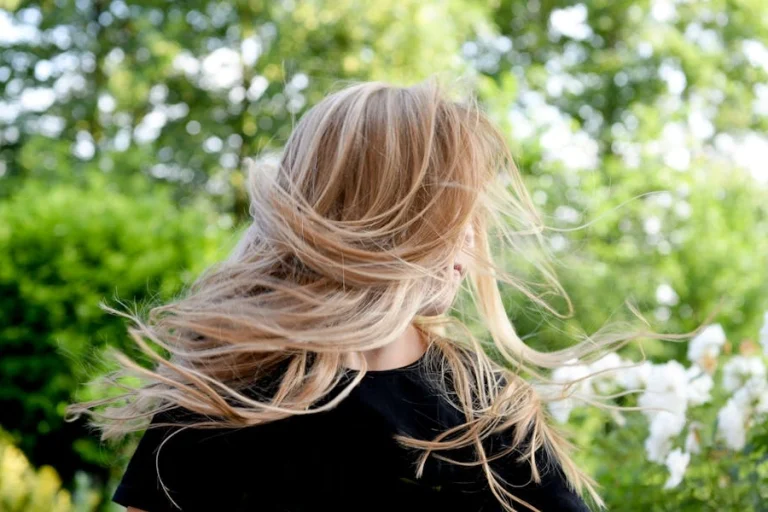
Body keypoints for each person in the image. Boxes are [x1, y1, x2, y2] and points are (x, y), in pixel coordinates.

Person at [69, 77, 660, 511]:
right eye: (451, 212)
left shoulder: (486, 409)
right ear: (381, 220)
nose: (472, 239)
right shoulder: (225, 390)